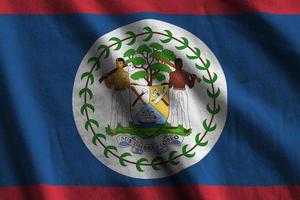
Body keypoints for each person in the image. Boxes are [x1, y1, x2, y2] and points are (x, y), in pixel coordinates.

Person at [101, 58, 131, 131]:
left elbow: (127, 85)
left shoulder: (126, 74)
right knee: (115, 109)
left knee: (125, 108)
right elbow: (109, 85)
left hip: (124, 92)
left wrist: (131, 85)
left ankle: (125, 125)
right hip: (116, 92)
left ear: (123, 64)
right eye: (117, 63)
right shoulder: (113, 74)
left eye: (120, 63)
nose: (118, 65)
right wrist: (105, 79)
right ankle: (113, 127)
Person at [168, 58, 197, 130]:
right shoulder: (171, 74)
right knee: (174, 109)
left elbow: (190, 85)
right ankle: (174, 124)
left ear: (182, 65)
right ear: (175, 64)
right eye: (178, 64)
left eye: (180, 64)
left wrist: (192, 79)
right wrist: (192, 78)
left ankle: (186, 127)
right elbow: (170, 85)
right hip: (175, 91)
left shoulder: (185, 75)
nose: (179, 65)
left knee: (185, 110)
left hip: (183, 92)